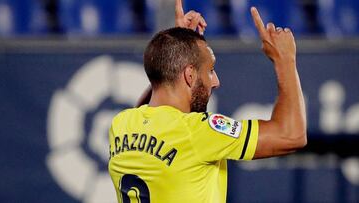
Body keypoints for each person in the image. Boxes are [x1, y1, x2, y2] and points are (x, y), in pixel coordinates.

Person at [108, 0, 307, 202]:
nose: (216, 81)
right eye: (210, 70)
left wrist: (177, 49)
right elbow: (292, 135)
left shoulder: (121, 125)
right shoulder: (198, 132)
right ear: (190, 75)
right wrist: (285, 60)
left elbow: (156, 94)